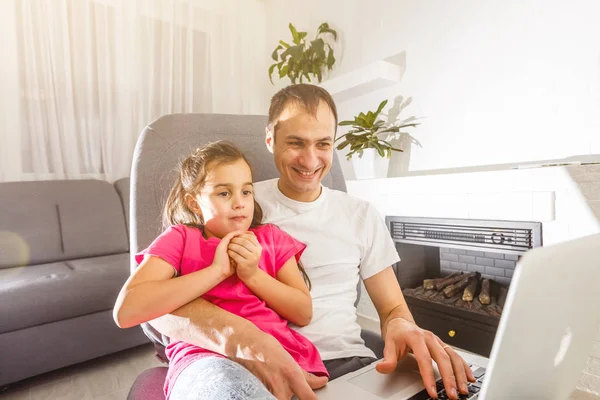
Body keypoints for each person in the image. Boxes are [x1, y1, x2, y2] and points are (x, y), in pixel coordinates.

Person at [147, 84, 475, 400]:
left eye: (323, 144)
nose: (310, 159)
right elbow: (153, 305)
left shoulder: (360, 214)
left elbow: (391, 307)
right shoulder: (233, 202)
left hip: (348, 366)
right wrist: (241, 340)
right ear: (270, 139)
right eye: (296, 143)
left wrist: (401, 326)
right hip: (248, 366)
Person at [113, 141, 329, 399]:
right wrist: (217, 271)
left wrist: (252, 275)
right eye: (224, 193)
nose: (239, 203)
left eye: (246, 192)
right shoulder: (181, 238)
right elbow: (127, 310)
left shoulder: (271, 238)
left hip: (287, 357)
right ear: (194, 203)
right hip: (205, 360)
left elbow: (302, 312)